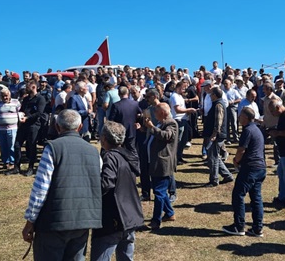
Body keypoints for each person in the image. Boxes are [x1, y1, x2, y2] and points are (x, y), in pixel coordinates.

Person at [22, 109, 102, 261]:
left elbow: (41, 188)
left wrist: (30, 221)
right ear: (79, 128)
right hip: (83, 220)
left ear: (57, 127)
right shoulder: (93, 152)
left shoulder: (52, 148)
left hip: (54, 221)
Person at [91, 121, 143, 261]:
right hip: (130, 216)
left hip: (114, 218)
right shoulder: (128, 155)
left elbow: (106, 183)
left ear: (104, 138)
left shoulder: (110, 156)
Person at [223, 107, 267, 237]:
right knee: (256, 198)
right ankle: (257, 228)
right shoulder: (257, 129)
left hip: (250, 168)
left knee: (238, 195)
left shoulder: (248, 130)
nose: (238, 117)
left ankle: (239, 226)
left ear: (246, 118)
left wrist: (236, 161)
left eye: (240, 115)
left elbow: (241, 149)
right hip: (260, 168)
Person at [141, 103, 178, 230]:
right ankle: (169, 213)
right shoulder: (160, 122)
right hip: (156, 162)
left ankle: (156, 220)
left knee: (159, 192)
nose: (154, 114)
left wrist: (152, 127)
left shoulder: (171, 123)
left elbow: (166, 136)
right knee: (160, 191)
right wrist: (147, 127)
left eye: (156, 112)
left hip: (163, 163)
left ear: (162, 112)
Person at [11, 80, 47, 176]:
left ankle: (31, 168)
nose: (26, 88)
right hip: (23, 124)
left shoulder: (40, 99)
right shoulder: (26, 99)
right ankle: (16, 167)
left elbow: (39, 113)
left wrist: (27, 118)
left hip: (34, 125)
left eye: (28, 86)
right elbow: (22, 110)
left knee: (31, 146)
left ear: (34, 87)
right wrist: (20, 115)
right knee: (17, 145)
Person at [204, 87, 234, 187]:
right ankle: (227, 175)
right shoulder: (217, 104)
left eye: (211, 94)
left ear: (215, 95)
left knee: (213, 158)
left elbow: (218, 121)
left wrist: (214, 134)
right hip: (215, 134)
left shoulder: (218, 105)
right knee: (216, 157)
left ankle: (214, 180)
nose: (210, 95)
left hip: (216, 135)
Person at [107, 86, 142, 154]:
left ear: (119, 94)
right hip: (132, 131)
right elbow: (141, 115)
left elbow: (111, 120)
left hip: (119, 133)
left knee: (120, 152)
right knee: (132, 151)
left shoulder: (116, 105)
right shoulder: (135, 104)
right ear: (128, 93)